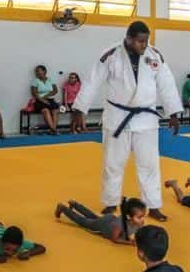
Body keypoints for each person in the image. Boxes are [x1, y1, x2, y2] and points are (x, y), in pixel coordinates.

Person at [72, 21, 183, 222]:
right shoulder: (111, 55)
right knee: (112, 164)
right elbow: (92, 81)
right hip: (117, 117)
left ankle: (153, 205)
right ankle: (111, 201)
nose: (144, 45)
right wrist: (80, 109)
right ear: (129, 38)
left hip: (146, 119)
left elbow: (167, 85)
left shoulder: (154, 55)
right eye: (140, 41)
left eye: (146, 40)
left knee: (149, 165)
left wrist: (173, 112)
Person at [54, 197, 147, 245]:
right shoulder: (119, 225)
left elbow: (140, 232)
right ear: (129, 216)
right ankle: (63, 208)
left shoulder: (140, 222)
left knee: (92, 216)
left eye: (143, 216)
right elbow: (114, 239)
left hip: (109, 219)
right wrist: (130, 243)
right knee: (83, 222)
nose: (142, 219)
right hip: (103, 226)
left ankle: (75, 204)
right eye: (139, 217)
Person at [30, 65, 60, 134]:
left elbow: (55, 90)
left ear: (44, 71)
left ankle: (53, 129)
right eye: (36, 71)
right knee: (46, 111)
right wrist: (43, 100)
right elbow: (34, 93)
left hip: (50, 99)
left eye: (38, 71)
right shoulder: (35, 81)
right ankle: (54, 130)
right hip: (39, 101)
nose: (37, 72)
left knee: (55, 111)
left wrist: (46, 96)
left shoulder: (50, 80)